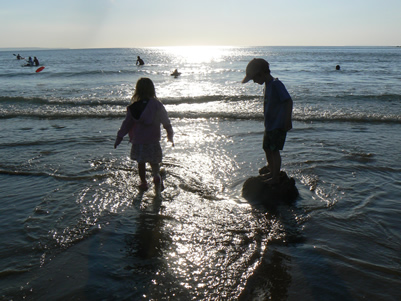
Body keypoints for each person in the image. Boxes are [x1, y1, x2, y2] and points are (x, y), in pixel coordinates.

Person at [114, 77, 174, 191]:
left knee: (141, 163)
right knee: (154, 162)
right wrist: (170, 135)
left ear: (137, 90)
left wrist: (119, 137)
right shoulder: (157, 105)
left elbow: (126, 124)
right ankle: (156, 176)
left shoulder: (133, 108)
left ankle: (143, 182)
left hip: (139, 141)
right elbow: (165, 121)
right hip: (153, 141)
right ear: (152, 90)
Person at [242, 58, 293, 184]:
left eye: (254, 78)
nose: (254, 81)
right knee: (266, 148)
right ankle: (272, 170)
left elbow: (288, 101)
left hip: (278, 124)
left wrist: (287, 120)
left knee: (274, 150)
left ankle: (275, 177)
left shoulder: (276, 84)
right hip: (269, 125)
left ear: (261, 73)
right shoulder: (268, 86)